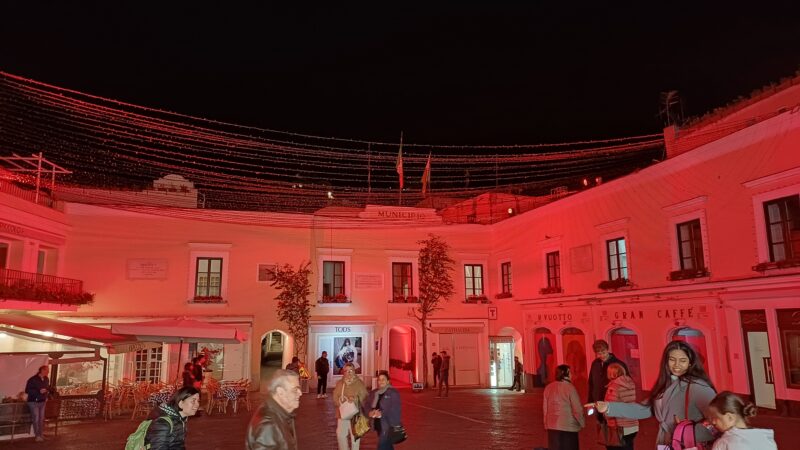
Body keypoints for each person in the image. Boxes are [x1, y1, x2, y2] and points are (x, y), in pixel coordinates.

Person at [594, 340, 717, 447]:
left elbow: (717, 421)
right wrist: (609, 407)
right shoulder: (666, 384)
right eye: (672, 360)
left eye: (683, 360)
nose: (677, 365)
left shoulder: (699, 388)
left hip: (687, 445)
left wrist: (687, 434)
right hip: (666, 442)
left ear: (690, 363)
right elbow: (644, 409)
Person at [247, 369, 302, 450]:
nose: (300, 393)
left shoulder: (281, 413)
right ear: (280, 392)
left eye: (299, 389)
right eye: (295, 390)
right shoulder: (268, 426)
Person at [708, 391, 777, 450]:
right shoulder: (766, 438)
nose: (713, 422)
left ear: (730, 418)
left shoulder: (724, 443)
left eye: (715, 417)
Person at [543, 364, 585, 450]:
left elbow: (545, 408)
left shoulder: (548, 387)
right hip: (568, 426)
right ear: (567, 373)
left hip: (552, 426)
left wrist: (546, 423)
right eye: (570, 372)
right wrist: (582, 422)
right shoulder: (570, 388)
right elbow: (577, 409)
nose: (572, 374)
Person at [588, 339, 628, 423]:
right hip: (598, 401)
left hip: (613, 402)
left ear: (607, 350)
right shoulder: (595, 363)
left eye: (603, 352)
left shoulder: (618, 364)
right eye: (599, 353)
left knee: (614, 425)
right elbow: (591, 383)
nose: (602, 355)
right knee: (601, 424)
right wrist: (590, 401)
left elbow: (627, 384)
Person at [333, 362, 368, 450]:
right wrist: (340, 401)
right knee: (340, 435)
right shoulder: (340, 383)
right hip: (342, 413)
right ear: (343, 372)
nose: (348, 373)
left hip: (355, 414)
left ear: (354, 371)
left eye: (351, 370)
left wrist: (355, 398)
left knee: (355, 436)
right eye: (346, 371)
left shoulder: (359, 383)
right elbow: (335, 396)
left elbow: (365, 396)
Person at [603, 362, 638, 450]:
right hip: (632, 424)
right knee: (628, 446)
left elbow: (610, 408)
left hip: (619, 426)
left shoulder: (614, 387)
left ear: (611, 374)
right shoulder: (630, 384)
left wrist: (604, 414)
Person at [368, 370, 402, 450]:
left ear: (388, 381)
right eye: (379, 379)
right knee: (388, 446)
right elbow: (367, 404)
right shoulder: (375, 393)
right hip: (378, 424)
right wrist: (370, 412)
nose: (381, 381)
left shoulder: (393, 393)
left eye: (383, 379)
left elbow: (395, 409)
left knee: (382, 446)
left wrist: (381, 414)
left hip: (388, 425)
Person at [25, 365, 50, 442]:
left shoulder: (46, 379)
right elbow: (27, 390)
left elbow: (47, 388)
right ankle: (37, 436)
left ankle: (41, 434)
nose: (48, 372)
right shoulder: (32, 379)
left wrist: (46, 396)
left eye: (48, 370)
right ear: (42, 370)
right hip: (33, 402)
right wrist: (39, 391)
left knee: (41, 419)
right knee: (36, 419)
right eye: (46, 370)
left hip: (42, 401)